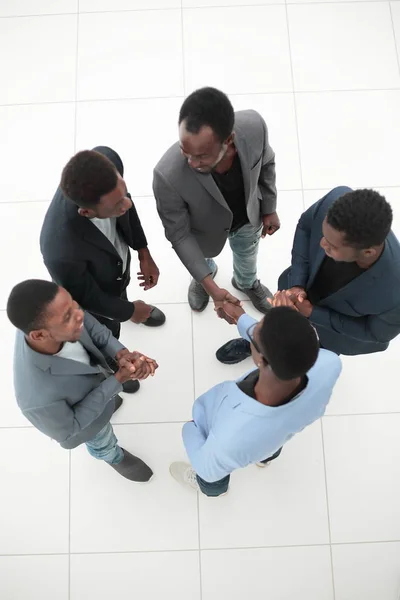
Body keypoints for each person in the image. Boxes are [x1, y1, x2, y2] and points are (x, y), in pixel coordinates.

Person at [170, 303, 341, 497]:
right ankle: (266, 458)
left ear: (260, 358)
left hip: (220, 442)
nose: (251, 330)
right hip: (281, 432)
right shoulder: (330, 363)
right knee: (273, 445)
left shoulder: (230, 438)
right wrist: (240, 317)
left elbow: (207, 468)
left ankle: (216, 492)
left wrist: (190, 428)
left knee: (212, 478)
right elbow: (279, 342)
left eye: (254, 332)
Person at [216, 186, 400, 364]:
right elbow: (305, 226)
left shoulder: (395, 293)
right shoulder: (336, 200)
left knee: (312, 358)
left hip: (335, 333)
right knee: (278, 325)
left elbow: (374, 333)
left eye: (332, 246)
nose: (322, 244)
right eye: (324, 235)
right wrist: (297, 284)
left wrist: (313, 314)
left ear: (368, 253)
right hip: (300, 291)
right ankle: (258, 344)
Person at [40, 146, 165, 394]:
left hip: (114, 266)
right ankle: (111, 361)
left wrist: (142, 250)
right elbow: (87, 297)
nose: (127, 203)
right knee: (105, 327)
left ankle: (125, 305)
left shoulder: (106, 161)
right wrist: (129, 311)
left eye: (124, 193)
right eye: (117, 204)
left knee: (120, 291)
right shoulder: (59, 247)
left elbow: (124, 204)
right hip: (93, 288)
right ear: (86, 212)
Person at [7, 279, 157, 483]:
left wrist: (120, 353)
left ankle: (110, 400)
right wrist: (117, 380)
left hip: (96, 379)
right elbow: (73, 425)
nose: (80, 315)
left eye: (73, 304)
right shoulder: (36, 400)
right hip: (87, 423)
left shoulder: (54, 315)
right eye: (68, 316)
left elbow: (93, 328)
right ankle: (112, 455)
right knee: (101, 437)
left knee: (108, 397)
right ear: (40, 335)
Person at [153, 87, 279, 315]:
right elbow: (179, 235)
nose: (191, 163)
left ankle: (246, 282)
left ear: (229, 140)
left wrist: (269, 207)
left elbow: (267, 163)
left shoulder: (254, 127)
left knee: (247, 256)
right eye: (185, 151)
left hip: (248, 220)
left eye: (201, 156)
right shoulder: (166, 175)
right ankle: (205, 274)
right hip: (203, 233)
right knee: (203, 259)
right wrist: (210, 287)